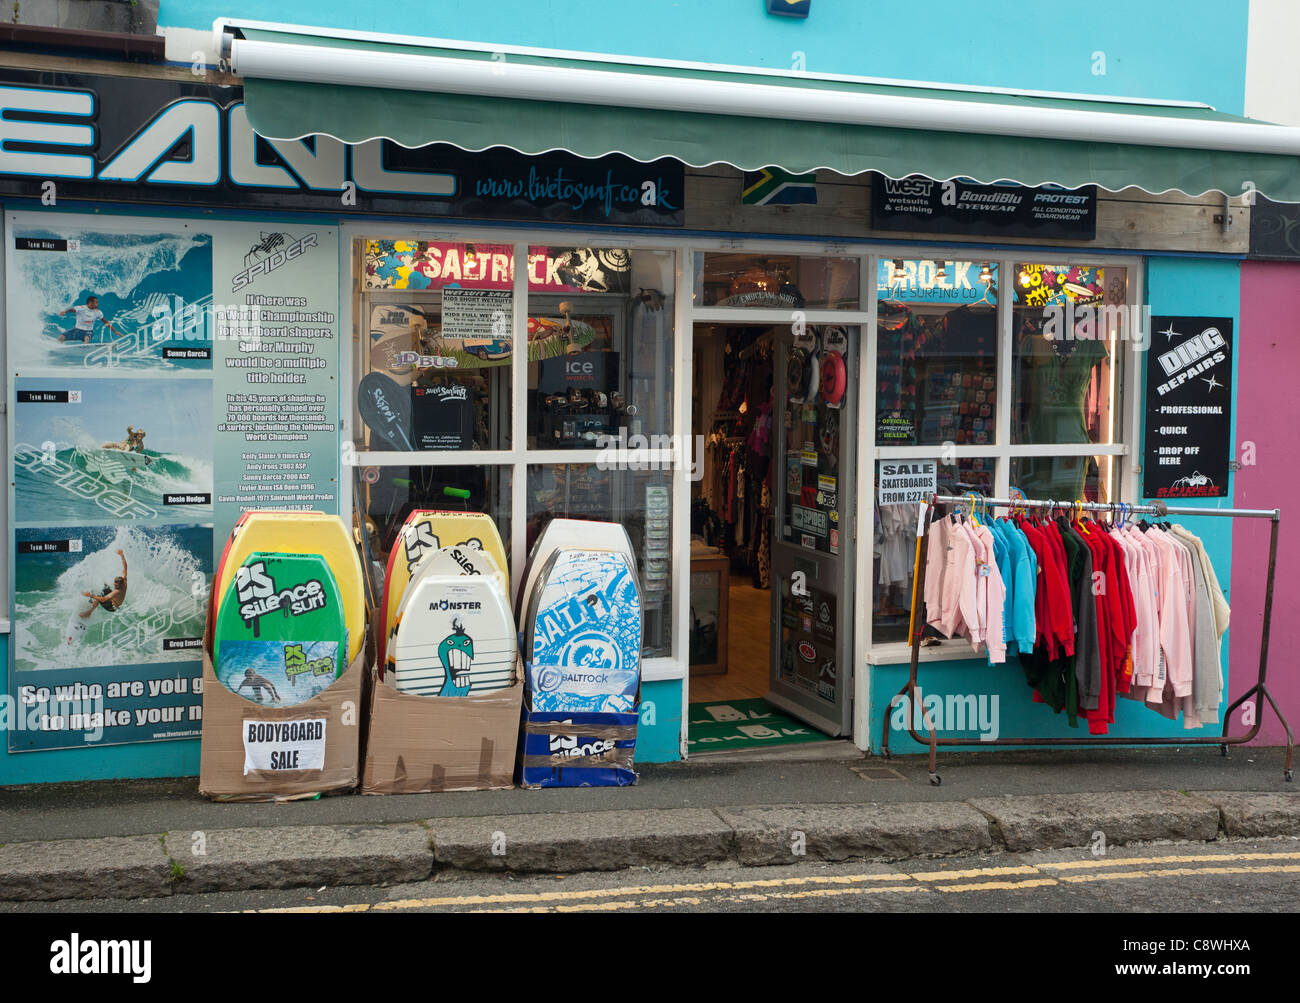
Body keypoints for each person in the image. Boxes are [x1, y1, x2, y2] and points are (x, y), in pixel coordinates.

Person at [80, 549, 127, 618]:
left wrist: (90, 595)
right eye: (114, 584)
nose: (115, 586)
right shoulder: (124, 580)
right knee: (105, 586)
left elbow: (104, 599)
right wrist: (122, 555)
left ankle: (89, 612)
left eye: (116, 585)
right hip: (114, 601)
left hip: (111, 607)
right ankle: (91, 602)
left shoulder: (117, 591)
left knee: (99, 594)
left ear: (120, 585)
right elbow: (125, 568)